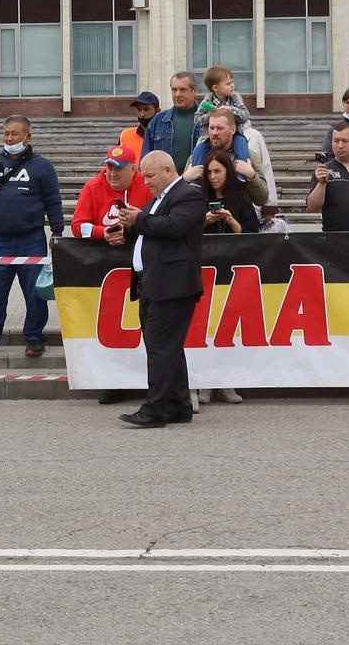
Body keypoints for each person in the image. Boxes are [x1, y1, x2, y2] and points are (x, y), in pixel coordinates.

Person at [109, 150, 207, 429]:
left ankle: (154, 409)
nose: (146, 181)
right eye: (144, 176)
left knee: (160, 350)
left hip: (172, 285)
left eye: (150, 175)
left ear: (168, 170)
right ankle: (178, 405)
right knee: (167, 348)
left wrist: (138, 219)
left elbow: (174, 227)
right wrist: (128, 228)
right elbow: (151, 229)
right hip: (153, 283)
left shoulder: (188, 195)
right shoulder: (158, 199)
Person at [0, 114, 64, 360]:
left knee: (34, 293)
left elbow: (53, 201)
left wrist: (57, 232)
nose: (10, 138)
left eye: (15, 133)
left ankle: (34, 337)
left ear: (28, 136)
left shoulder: (42, 166)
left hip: (31, 240)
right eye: (6, 134)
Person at [74, 138, 153, 237]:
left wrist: (137, 222)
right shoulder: (92, 187)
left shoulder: (147, 185)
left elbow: (157, 223)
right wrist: (103, 232)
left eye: (118, 169)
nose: (112, 174)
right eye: (110, 168)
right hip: (100, 245)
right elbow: (77, 226)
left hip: (138, 243)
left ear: (133, 170)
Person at [200, 150, 263, 235]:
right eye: (209, 172)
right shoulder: (200, 198)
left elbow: (253, 233)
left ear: (228, 171)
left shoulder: (241, 198)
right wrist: (204, 221)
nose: (212, 177)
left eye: (217, 171)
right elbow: (188, 232)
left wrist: (233, 223)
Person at [142, 73, 202, 161]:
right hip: (164, 170)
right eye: (174, 90)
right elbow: (145, 159)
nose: (177, 94)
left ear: (195, 91)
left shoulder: (206, 120)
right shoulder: (158, 121)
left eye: (183, 90)